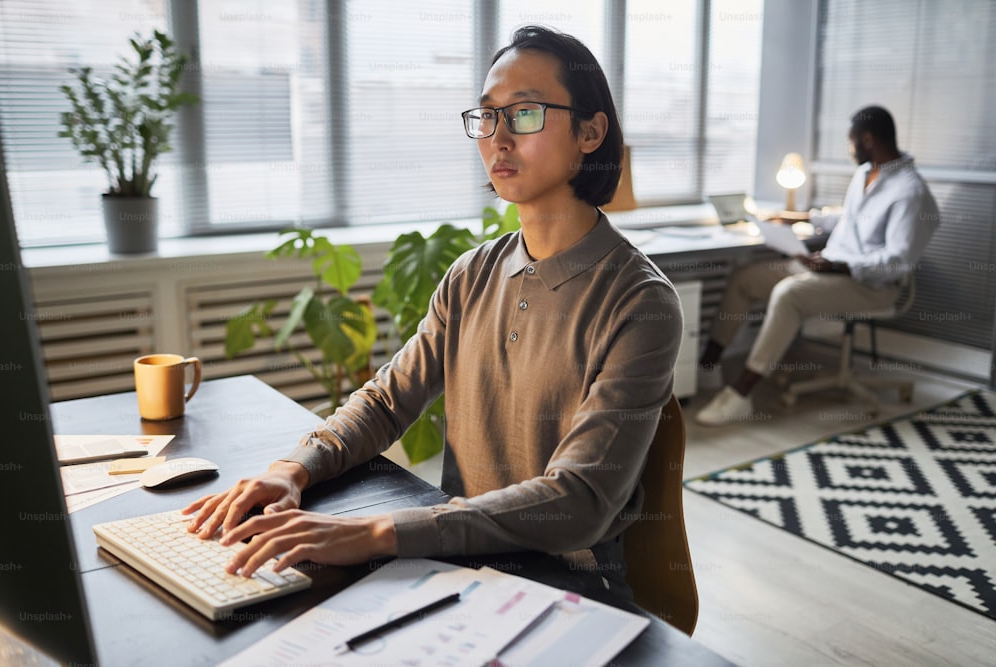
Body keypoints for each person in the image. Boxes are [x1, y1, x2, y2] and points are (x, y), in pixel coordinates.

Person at [183, 26, 682, 597]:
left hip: (567, 585)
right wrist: (292, 469)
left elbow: (580, 499)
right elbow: (387, 400)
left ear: (590, 133)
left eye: (523, 115)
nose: (497, 139)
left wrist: (374, 531)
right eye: (487, 116)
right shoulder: (470, 275)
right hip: (457, 565)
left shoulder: (641, 301)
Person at [695, 105, 939, 426]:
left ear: (868, 139)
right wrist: (798, 217)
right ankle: (708, 369)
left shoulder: (910, 193)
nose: (848, 149)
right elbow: (849, 220)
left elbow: (897, 261)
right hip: (829, 268)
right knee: (746, 278)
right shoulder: (867, 173)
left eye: (850, 142)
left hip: (870, 286)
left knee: (788, 294)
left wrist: (839, 267)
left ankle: (740, 395)